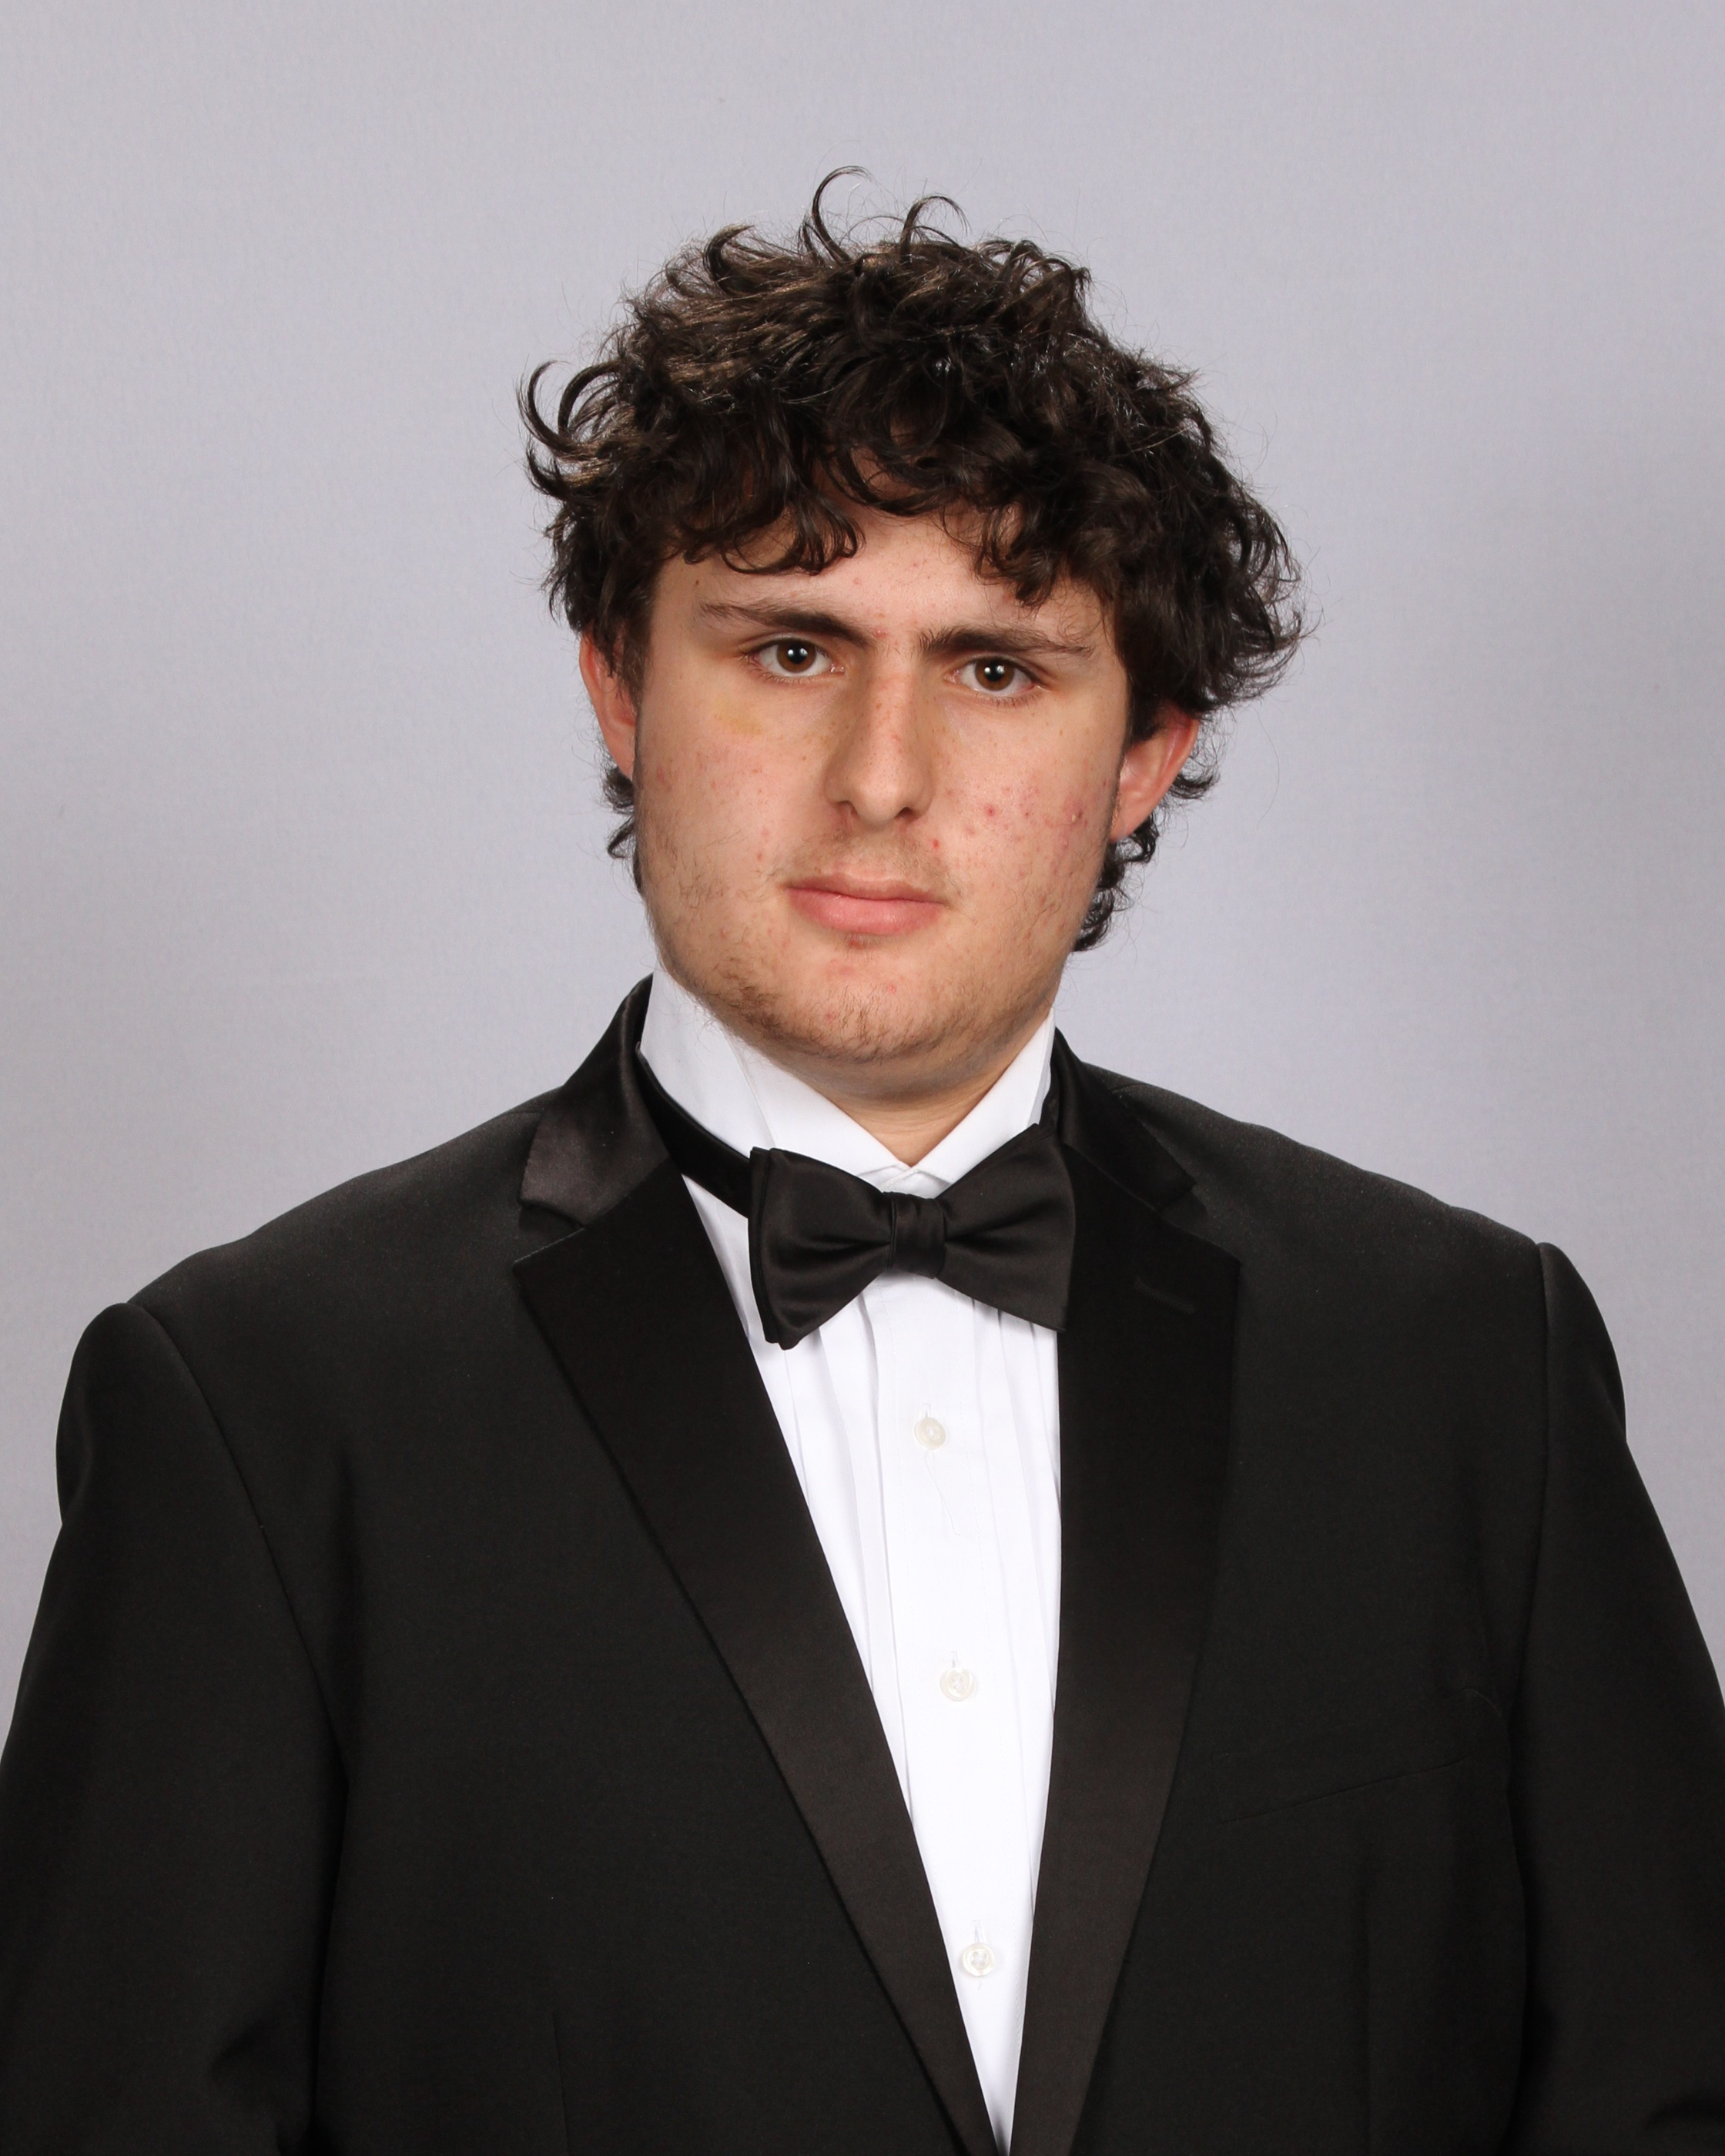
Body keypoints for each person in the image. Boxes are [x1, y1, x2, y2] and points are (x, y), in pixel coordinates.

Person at [2, 181, 1722, 2156]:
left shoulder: (1467, 1360)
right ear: (621, 687)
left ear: (1142, 753)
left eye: (996, 669)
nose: (882, 777)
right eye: (793, 647)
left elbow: (1661, 2090)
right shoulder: (254, 1406)